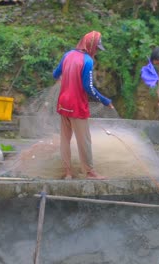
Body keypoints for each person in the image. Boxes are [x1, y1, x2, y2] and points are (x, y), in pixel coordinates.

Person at [53, 31, 114, 180]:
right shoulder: (87, 61)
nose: (97, 51)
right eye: (97, 48)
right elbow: (89, 87)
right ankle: (89, 172)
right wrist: (105, 100)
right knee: (84, 141)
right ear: (91, 46)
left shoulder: (67, 55)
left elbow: (55, 74)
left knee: (65, 139)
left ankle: (67, 172)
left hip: (63, 103)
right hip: (77, 106)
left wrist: (67, 77)